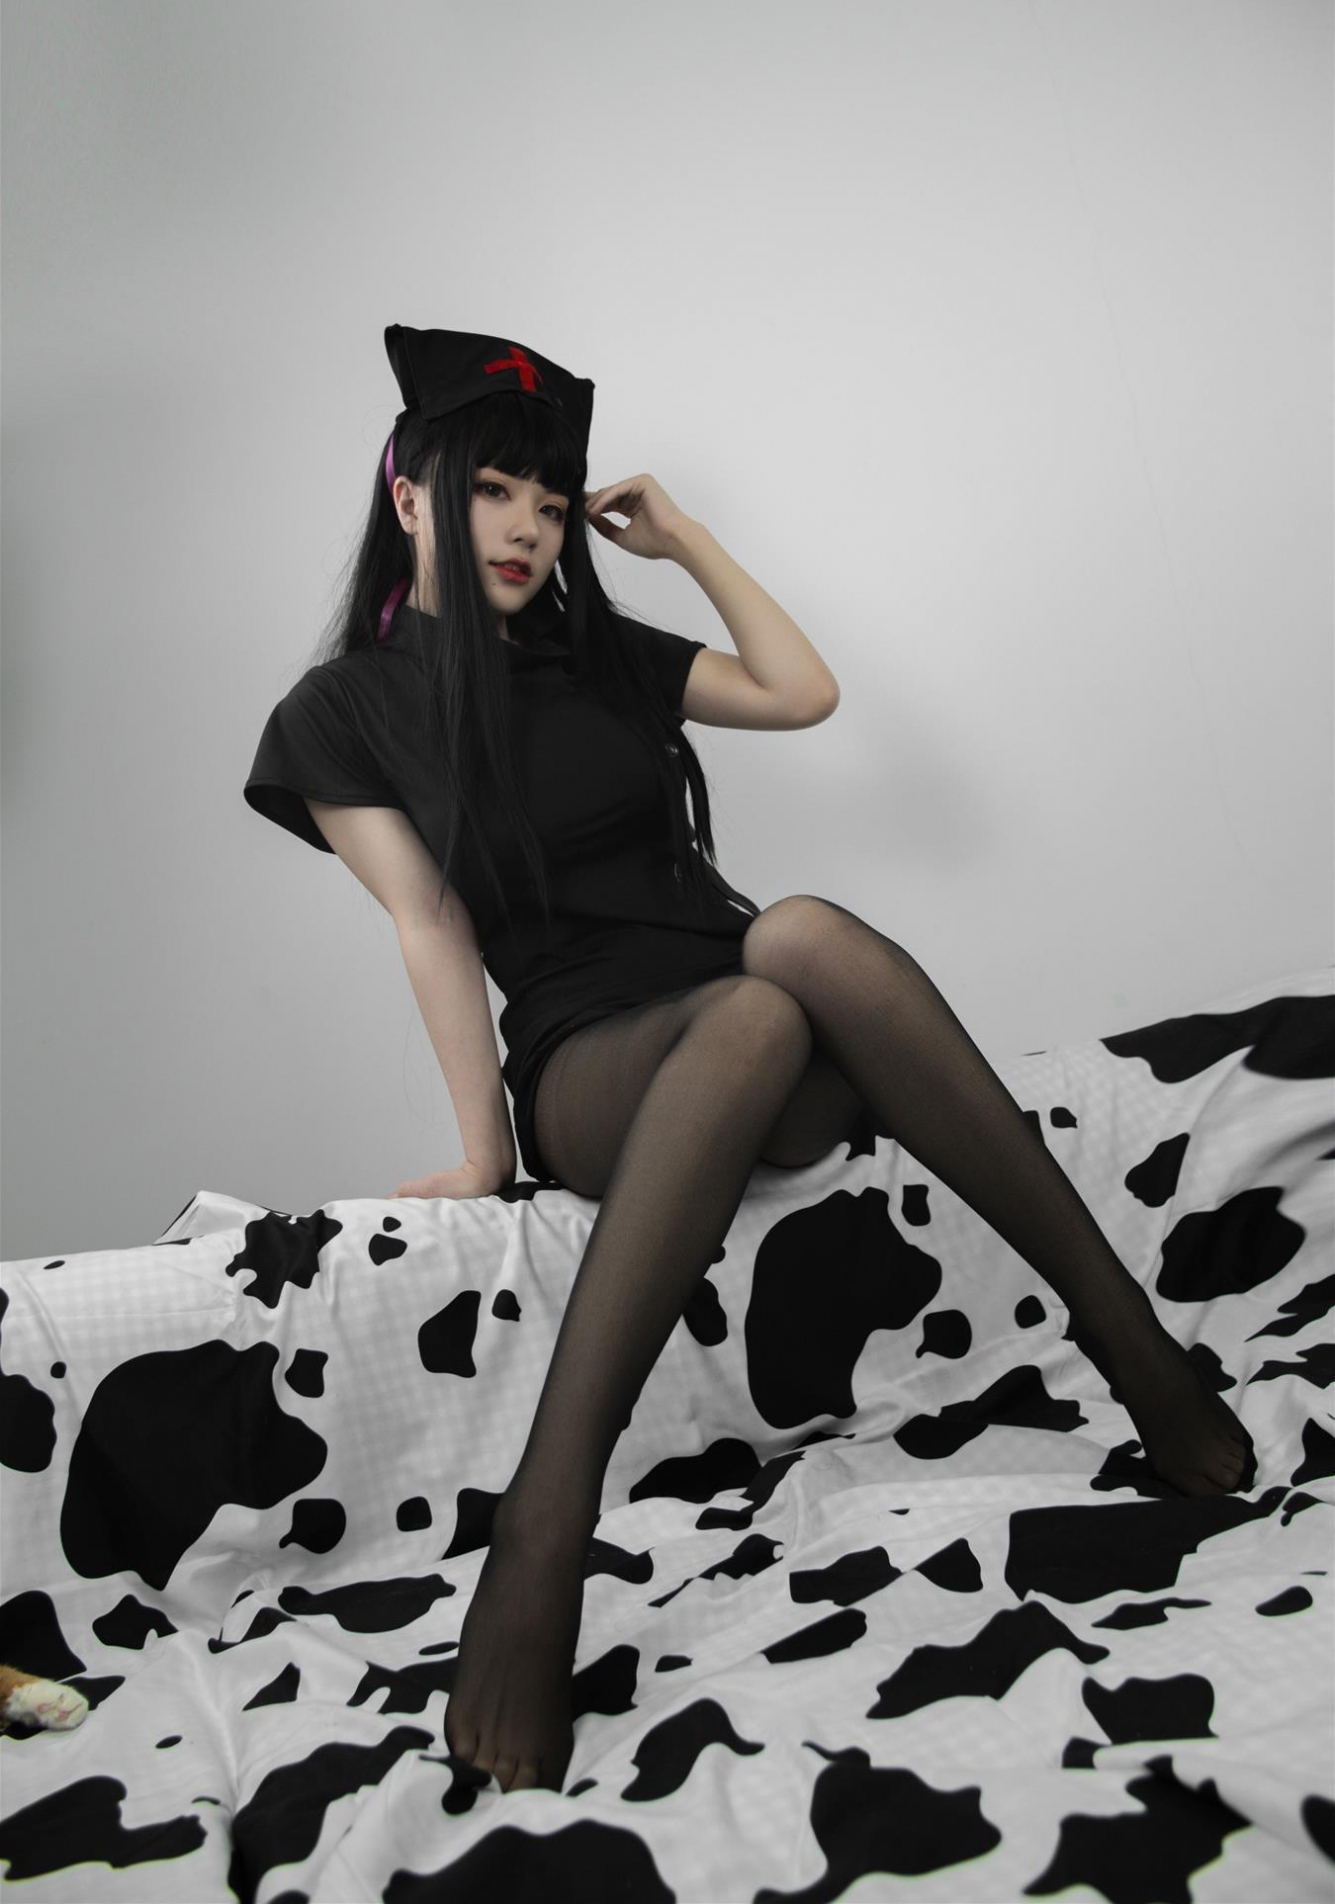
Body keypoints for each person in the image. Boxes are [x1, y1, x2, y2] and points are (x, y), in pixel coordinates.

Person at [245, 325, 1255, 1798]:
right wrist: (484, 1155)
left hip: (757, 1030)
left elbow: (801, 693)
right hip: (597, 1070)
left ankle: (1133, 1347)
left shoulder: (599, 658)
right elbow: (431, 926)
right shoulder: (341, 712)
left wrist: (690, 543)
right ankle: (545, 1526)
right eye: (493, 493)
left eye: (548, 501)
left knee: (795, 938)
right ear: (410, 498)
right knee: (759, 1003)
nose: (527, 527)